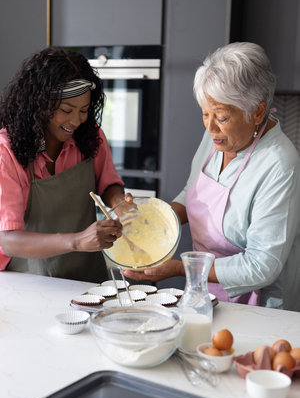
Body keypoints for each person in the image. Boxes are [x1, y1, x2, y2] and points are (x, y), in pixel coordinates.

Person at [124, 42, 300, 311]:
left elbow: (262, 266)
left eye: (221, 117)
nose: (210, 127)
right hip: (205, 290)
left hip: (258, 303)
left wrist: (180, 269)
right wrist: (150, 223)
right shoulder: (219, 136)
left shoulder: (279, 164)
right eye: (205, 113)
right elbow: (192, 193)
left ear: (258, 112)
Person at [0, 47, 130, 283]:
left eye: (83, 110)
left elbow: (108, 185)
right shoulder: (6, 153)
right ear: (39, 104)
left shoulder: (90, 137)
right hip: (27, 280)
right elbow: (9, 241)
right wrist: (78, 241)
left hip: (85, 278)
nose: (76, 121)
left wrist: (120, 205)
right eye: (66, 110)